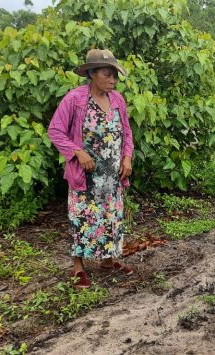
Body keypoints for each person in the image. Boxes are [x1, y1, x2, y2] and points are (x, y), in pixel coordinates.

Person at [48, 48, 134, 289]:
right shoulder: (75, 99)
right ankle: (78, 267)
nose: (113, 80)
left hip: (112, 175)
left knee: (111, 215)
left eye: (115, 76)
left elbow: (126, 132)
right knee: (82, 216)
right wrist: (78, 152)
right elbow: (55, 130)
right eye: (108, 74)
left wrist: (127, 157)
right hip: (85, 175)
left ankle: (108, 260)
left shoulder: (117, 100)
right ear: (92, 73)